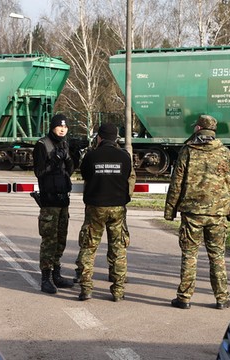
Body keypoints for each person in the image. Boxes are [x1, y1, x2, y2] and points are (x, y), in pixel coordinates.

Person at [164, 115, 230, 310]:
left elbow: (176, 183)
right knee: (217, 256)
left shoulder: (187, 151)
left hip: (192, 213)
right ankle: (222, 298)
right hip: (218, 213)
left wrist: (170, 211)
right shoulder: (225, 153)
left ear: (198, 128)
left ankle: (184, 298)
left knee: (190, 255)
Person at [75, 123, 135, 302]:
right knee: (118, 249)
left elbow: (85, 175)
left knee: (89, 247)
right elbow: (127, 177)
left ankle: (86, 289)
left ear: (99, 138)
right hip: (117, 207)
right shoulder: (125, 157)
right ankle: (118, 291)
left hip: (95, 207)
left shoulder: (91, 156)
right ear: (116, 138)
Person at [32, 114, 76, 294]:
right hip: (49, 201)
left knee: (61, 240)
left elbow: (71, 170)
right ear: (53, 127)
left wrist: (69, 158)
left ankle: (57, 274)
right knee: (49, 241)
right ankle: (46, 278)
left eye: (65, 127)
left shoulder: (65, 144)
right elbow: (39, 172)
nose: (62, 129)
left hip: (63, 200)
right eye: (59, 127)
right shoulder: (42, 145)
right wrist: (54, 161)